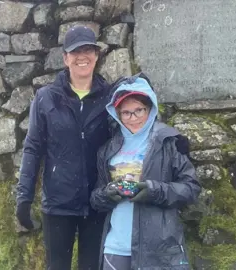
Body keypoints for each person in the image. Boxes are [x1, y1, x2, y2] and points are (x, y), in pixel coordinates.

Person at [15, 25, 112, 270]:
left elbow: (128, 134)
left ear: (96, 56)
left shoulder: (111, 97)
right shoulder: (46, 97)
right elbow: (33, 148)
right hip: (58, 204)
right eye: (75, 51)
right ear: (65, 58)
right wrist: (24, 198)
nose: (83, 56)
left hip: (97, 202)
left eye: (88, 50)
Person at [90, 74, 201, 270]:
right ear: (117, 114)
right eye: (126, 113)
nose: (133, 118)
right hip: (116, 248)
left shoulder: (170, 143)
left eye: (139, 110)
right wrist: (108, 194)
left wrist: (153, 191)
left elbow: (191, 189)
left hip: (159, 250)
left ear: (150, 109)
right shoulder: (107, 149)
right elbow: (95, 198)